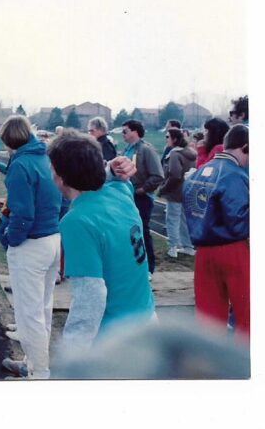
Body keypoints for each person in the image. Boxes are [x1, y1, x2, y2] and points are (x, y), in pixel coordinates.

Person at [47, 130, 155, 359]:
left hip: (116, 340)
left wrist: (72, 356)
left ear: (60, 176)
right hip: (146, 318)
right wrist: (110, 168)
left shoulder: (77, 221)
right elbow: (109, 180)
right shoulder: (121, 190)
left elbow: (90, 298)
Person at [0, 114, 62, 380]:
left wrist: (11, 238)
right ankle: (33, 364)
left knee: (29, 314)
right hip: (52, 240)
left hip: (32, 245)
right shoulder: (44, 158)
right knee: (42, 308)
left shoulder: (21, 165)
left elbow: (23, 214)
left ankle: (39, 373)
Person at [183, 124, 249, 336]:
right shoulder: (235, 175)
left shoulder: (197, 173)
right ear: (245, 147)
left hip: (203, 253)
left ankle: (209, 356)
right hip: (233, 250)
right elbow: (238, 222)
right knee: (247, 318)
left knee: (209, 320)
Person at [121, 120, 164, 275]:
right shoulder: (126, 150)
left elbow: (158, 175)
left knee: (142, 231)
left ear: (135, 132)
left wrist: (143, 189)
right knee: (129, 231)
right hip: (127, 196)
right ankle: (134, 264)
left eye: (125, 131)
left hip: (141, 198)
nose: (122, 134)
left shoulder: (146, 150)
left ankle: (148, 268)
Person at [158, 127, 196, 258]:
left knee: (172, 220)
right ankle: (188, 246)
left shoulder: (175, 154)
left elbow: (175, 174)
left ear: (174, 139)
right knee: (184, 220)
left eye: (167, 137)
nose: (166, 139)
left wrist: (164, 189)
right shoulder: (190, 153)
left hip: (175, 192)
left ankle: (172, 247)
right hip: (187, 191)